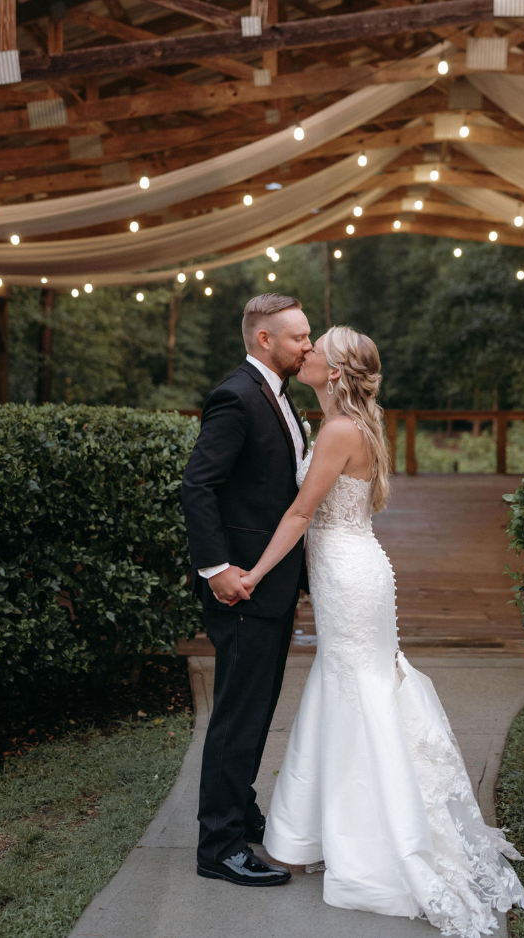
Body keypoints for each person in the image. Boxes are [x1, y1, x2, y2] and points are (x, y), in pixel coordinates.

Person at [238, 325, 524, 935]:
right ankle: (313, 828)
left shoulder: (341, 430)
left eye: (319, 348)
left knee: (358, 690)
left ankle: (373, 840)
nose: (307, 350)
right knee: (351, 684)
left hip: (349, 576)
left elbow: (299, 513)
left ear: (337, 372)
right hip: (356, 568)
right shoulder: (350, 424)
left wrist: (255, 574)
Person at [181, 293, 312, 886]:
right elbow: (198, 487)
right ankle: (220, 847)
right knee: (237, 715)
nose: (308, 346)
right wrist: (218, 570)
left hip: (273, 586)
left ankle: (241, 811)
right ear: (265, 340)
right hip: (243, 589)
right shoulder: (235, 397)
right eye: (299, 338)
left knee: (255, 712)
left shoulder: (280, 397)